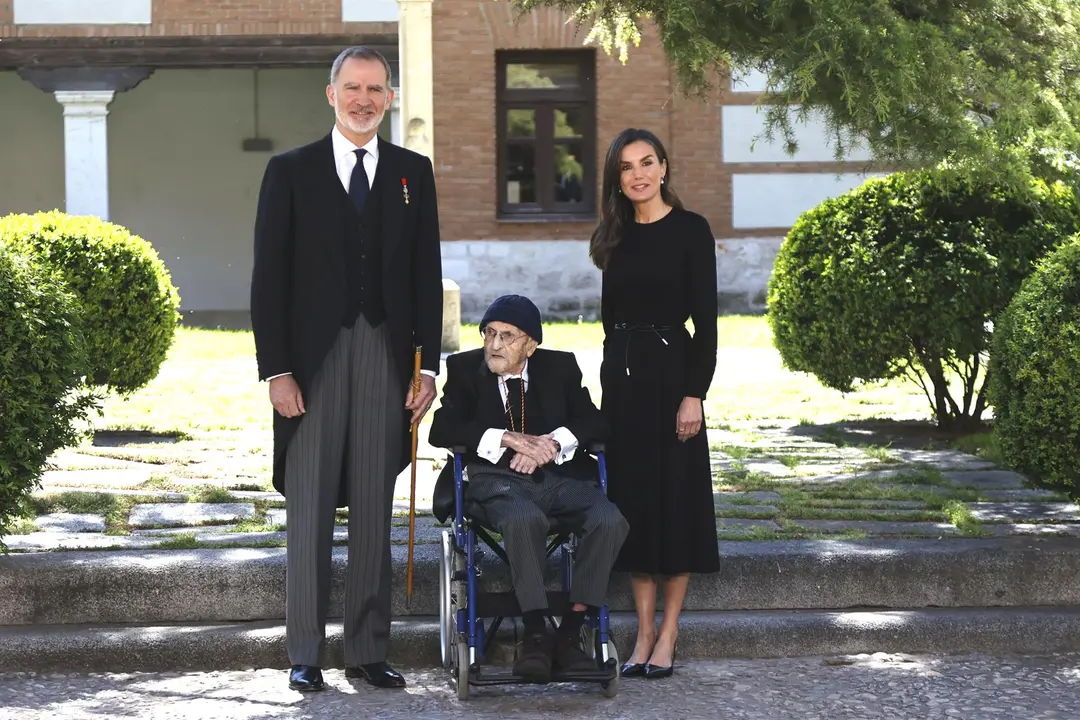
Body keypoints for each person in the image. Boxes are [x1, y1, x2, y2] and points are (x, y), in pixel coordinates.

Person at [249, 46, 443, 692]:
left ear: (390, 98)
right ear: (330, 94)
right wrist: (276, 370)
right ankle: (304, 650)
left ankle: (365, 647)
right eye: (353, 87)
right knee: (307, 508)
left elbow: (425, 276)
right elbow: (267, 281)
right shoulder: (290, 172)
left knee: (371, 507)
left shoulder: (414, 174)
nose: (364, 99)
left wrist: (428, 368)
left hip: (386, 356)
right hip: (312, 362)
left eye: (376, 89)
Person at [428, 294, 629, 683]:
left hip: (558, 479)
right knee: (524, 518)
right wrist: (508, 438)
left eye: (507, 336)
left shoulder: (559, 368)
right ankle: (537, 633)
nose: (495, 345)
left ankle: (568, 634)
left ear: (531, 345)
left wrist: (551, 443)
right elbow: (443, 429)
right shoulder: (465, 368)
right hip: (495, 483)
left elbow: (596, 422)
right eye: (489, 333)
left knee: (610, 519)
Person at [593, 128, 720, 679]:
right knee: (635, 507)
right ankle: (642, 633)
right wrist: (606, 394)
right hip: (623, 384)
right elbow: (606, 321)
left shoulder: (692, 231)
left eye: (647, 163)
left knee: (676, 504)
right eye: (626, 167)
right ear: (616, 179)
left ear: (664, 168)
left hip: (673, 380)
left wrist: (694, 394)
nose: (638, 174)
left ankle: (668, 635)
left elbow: (708, 325)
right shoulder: (613, 235)